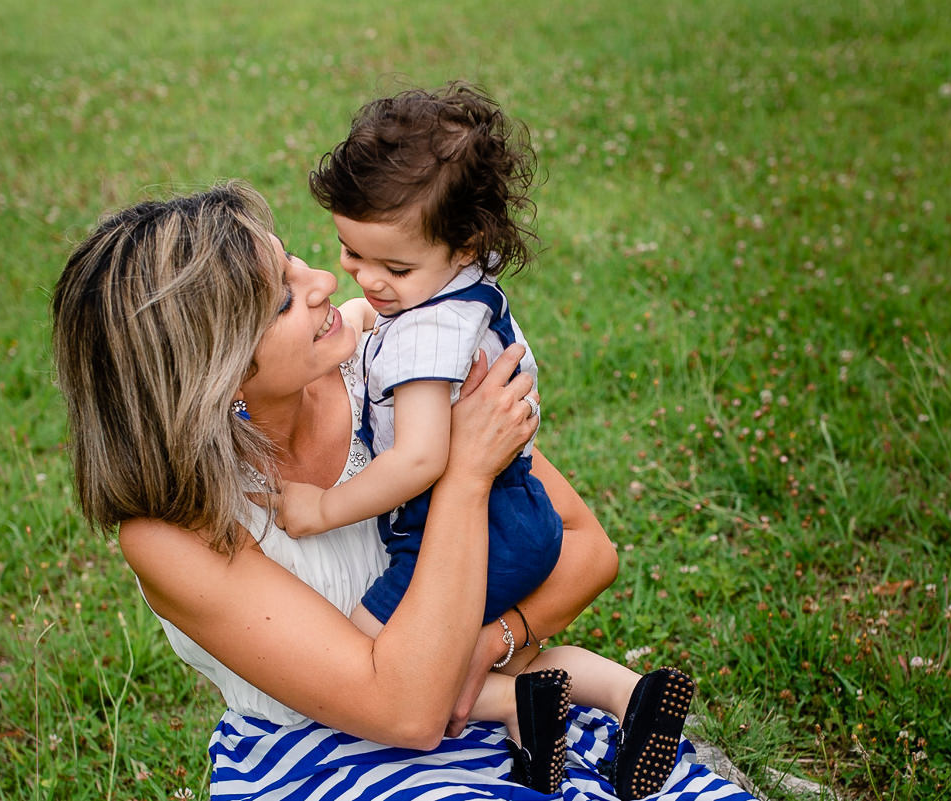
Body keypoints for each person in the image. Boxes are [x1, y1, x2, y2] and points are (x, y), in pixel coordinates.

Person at [51, 181, 756, 801]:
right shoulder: (174, 531)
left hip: (497, 703)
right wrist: (463, 475)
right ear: (218, 370)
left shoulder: (394, 375)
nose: (326, 280)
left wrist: (488, 642)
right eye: (284, 299)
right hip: (317, 761)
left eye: (295, 260)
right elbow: (406, 712)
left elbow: (586, 549)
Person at [274, 83, 697, 799]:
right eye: (350, 252)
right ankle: (627, 694)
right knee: (463, 653)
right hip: (516, 509)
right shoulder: (459, 288)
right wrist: (365, 304)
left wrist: (323, 508)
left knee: (371, 653)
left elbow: (421, 458)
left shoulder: (428, 336)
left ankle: (524, 708)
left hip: (477, 521)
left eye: (392, 269)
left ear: (463, 244)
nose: (367, 280)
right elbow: (372, 312)